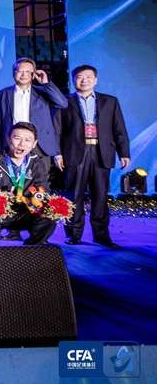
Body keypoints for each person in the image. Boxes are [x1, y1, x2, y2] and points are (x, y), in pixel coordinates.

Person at [55, 65, 130, 248]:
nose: (84, 80)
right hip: (74, 152)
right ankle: (74, 234)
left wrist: (124, 153)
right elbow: (57, 130)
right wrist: (57, 153)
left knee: (100, 196)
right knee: (73, 195)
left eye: (88, 77)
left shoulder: (110, 101)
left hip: (101, 152)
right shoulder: (65, 102)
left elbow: (119, 128)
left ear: (95, 80)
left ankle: (102, 236)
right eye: (80, 77)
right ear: (74, 80)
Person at [0, 122, 55, 245]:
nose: (21, 144)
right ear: (8, 139)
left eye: (27, 140)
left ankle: (32, 248)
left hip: (22, 211)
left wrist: (36, 198)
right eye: (17, 138)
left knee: (49, 214)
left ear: (34, 144)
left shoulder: (36, 163)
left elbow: (43, 189)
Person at [0, 58, 67, 164]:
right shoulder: (3, 94)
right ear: (14, 73)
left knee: (40, 174)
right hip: (13, 143)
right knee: (12, 174)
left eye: (28, 71)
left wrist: (46, 84)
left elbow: (62, 103)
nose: (24, 74)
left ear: (33, 74)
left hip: (39, 145)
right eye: (20, 71)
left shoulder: (42, 92)